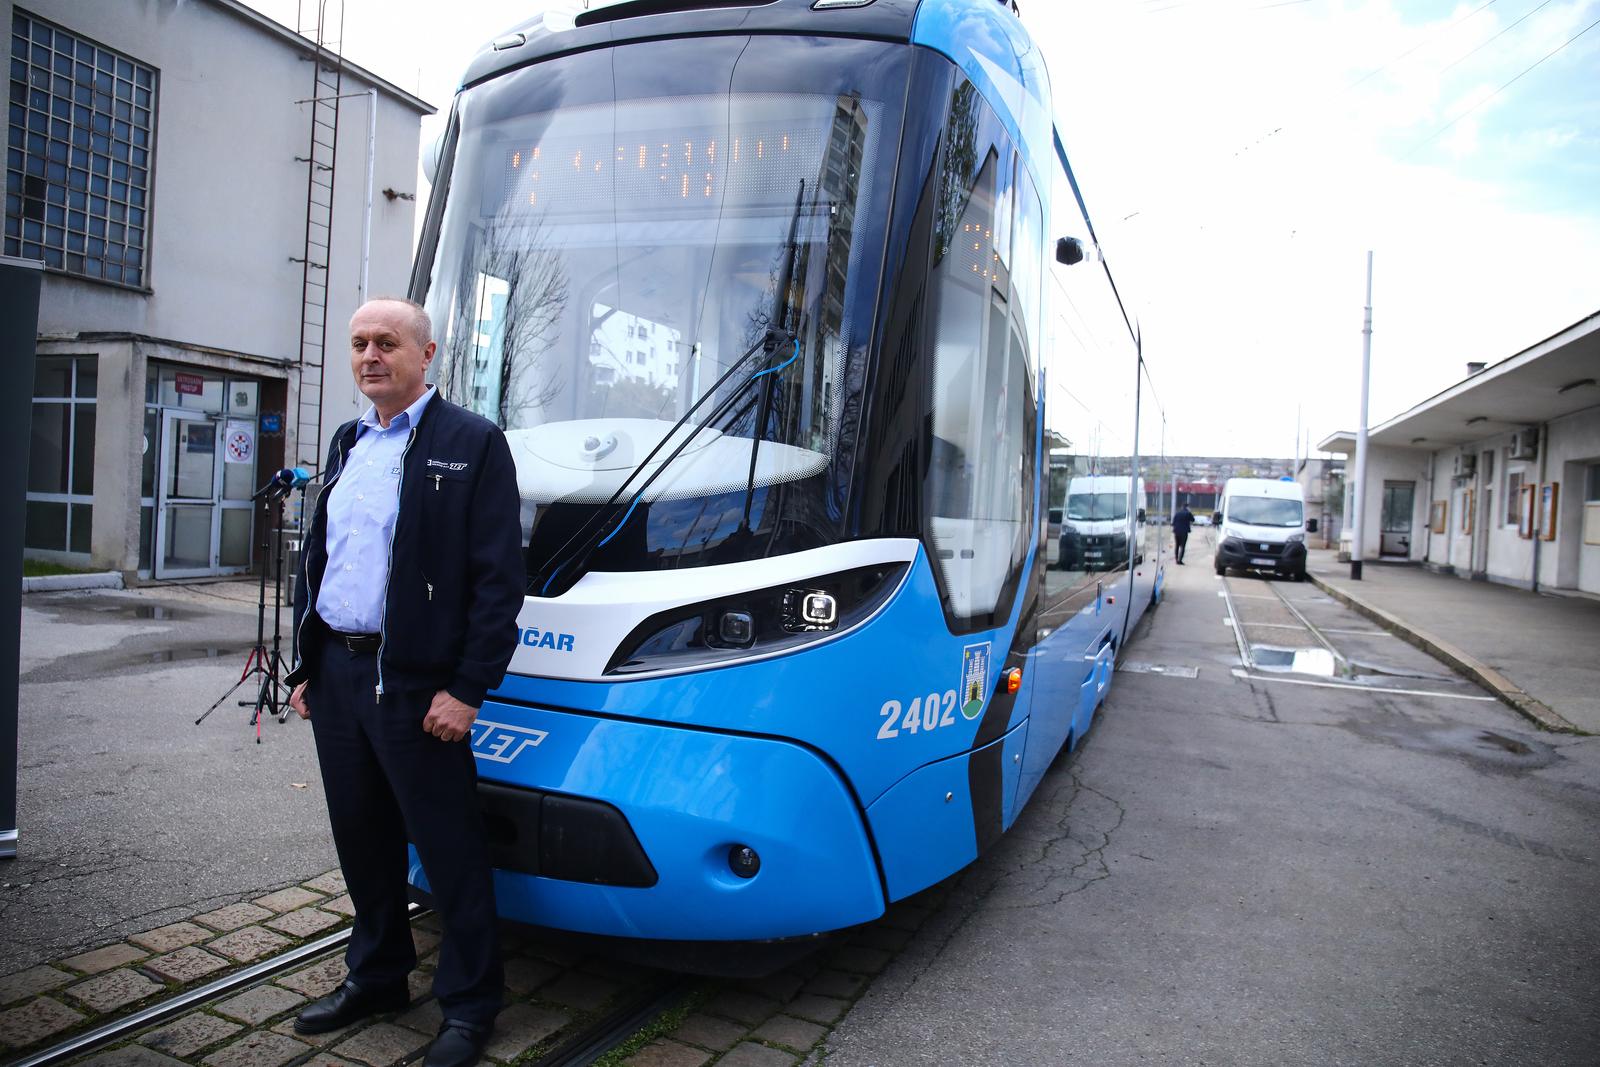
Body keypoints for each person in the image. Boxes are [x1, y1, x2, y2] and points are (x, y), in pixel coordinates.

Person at [285, 297, 524, 1067]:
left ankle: (470, 1003)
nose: (369, 356)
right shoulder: (348, 440)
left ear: (427, 355)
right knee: (363, 841)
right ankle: (380, 974)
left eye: (386, 342)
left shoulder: (472, 442)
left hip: (419, 687)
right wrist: (305, 665)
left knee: (451, 849)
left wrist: (469, 688)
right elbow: (324, 559)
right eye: (358, 344)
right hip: (338, 675)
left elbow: (497, 582)